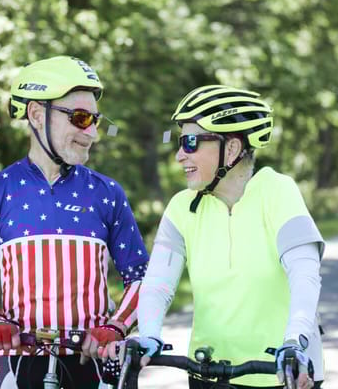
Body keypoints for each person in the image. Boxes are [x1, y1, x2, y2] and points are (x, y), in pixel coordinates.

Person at [103, 85, 325, 389]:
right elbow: (158, 284)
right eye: (181, 142)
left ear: (231, 149)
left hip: (282, 373)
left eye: (191, 142)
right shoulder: (182, 207)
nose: (180, 155)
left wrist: (295, 342)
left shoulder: (277, 191)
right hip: (206, 372)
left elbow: (305, 275)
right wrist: (150, 334)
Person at [0, 56, 149, 389]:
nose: (92, 133)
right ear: (35, 114)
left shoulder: (106, 192)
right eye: (80, 118)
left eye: (95, 120)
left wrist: (116, 328)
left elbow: (141, 278)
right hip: (18, 364)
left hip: (93, 364)